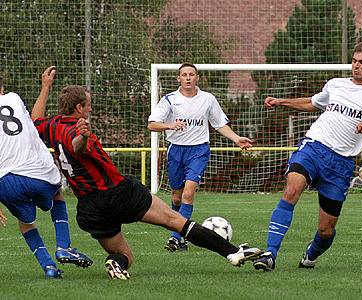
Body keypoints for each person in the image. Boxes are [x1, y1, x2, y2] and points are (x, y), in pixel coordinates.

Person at [32, 69, 262, 280]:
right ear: (79, 108)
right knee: (176, 221)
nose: (90, 108)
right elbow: (76, 146)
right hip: (118, 193)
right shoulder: (80, 132)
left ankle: (115, 263)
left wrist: (45, 87)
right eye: (88, 104)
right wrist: (83, 136)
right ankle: (233, 252)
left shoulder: (51, 126)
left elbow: (35, 121)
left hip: (89, 208)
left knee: (125, 256)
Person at [252, 41, 362, 272]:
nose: (356, 66)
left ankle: (311, 254)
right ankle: (270, 253)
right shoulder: (336, 84)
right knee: (291, 190)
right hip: (314, 146)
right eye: (354, 61)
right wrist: (282, 102)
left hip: (340, 164)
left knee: (326, 231)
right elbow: (313, 103)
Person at [148, 63, 253, 252]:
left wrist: (237, 138)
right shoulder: (170, 100)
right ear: (178, 79)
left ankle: (176, 237)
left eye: (191, 74)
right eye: (184, 75)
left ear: (197, 77)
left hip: (199, 150)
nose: (188, 78)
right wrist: (170, 125)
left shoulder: (208, 99)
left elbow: (219, 124)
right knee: (177, 196)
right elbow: (152, 124)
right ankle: (179, 230)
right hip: (176, 151)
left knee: (188, 193)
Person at [0, 72, 90, 279]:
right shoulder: (13, 98)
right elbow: (35, 120)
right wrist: (46, 86)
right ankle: (63, 246)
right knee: (57, 193)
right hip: (37, 173)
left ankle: (48, 266)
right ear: (2, 88)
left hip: (5, 182)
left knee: (25, 222)